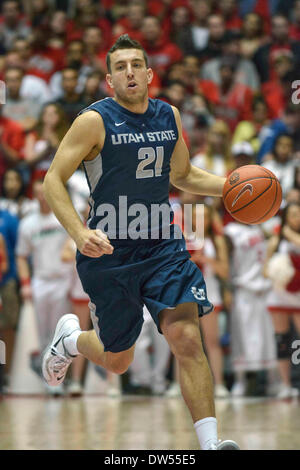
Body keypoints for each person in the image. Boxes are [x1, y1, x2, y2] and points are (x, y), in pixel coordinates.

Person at [41, 35, 239, 450]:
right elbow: (52, 180)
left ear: (150, 74)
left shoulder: (170, 115)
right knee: (119, 361)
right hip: (110, 252)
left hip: (162, 245)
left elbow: (182, 174)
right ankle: (71, 340)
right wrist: (79, 232)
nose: (129, 72)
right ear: (109, 81)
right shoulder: (93, 121)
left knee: (186, 335)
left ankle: (211, 443)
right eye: (119, 67)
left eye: (136, 64)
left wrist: (232, 188)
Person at [264, 202, 300, 399]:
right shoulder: (275, 242)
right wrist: (279, 273)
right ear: (286, 217)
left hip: (298, 296)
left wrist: (286, 232)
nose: (297, 218)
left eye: (299, 214)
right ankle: (285, 384)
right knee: (282, 341)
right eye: (293, 214)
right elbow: (265, 271)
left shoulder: (289, 237)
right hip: (279, 297)